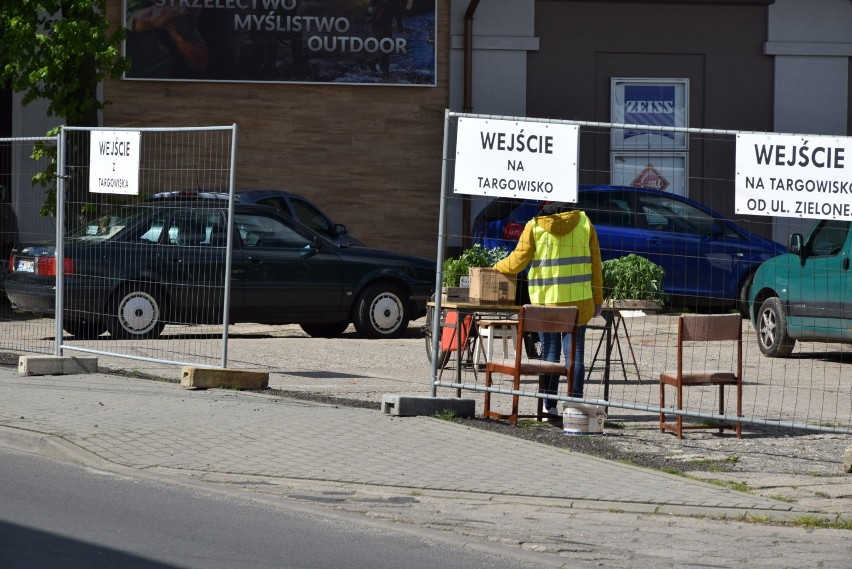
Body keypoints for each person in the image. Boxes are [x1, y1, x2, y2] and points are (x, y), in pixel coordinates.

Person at [493, 201, 604, 417]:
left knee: (550, 354)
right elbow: (595, 263)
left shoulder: (534, 225)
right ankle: (575, 405)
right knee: (575, 354)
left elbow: (517, 261)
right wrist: (598, 298)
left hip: (546, 303)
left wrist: (495, 267)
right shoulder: (584, 221)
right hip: (579, 302)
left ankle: (549, 405)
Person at [125, 0, 209, 79]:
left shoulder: (182, 15)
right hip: (129, 81)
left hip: (162, 83)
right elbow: (151, 18)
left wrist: (177, 37)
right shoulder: (134, 3)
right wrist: (180, 8)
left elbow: (200, 62)